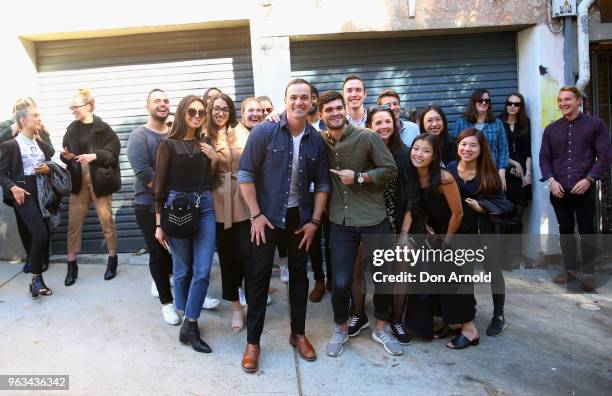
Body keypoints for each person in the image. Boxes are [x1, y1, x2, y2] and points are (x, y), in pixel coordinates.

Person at [238, 78, 329, 372]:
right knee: (259, 277)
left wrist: (315, 221)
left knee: (300, 277)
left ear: (312, 101)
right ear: (285, 100)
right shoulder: (265, 131)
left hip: (299, 219)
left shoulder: (317, 140)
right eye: (294, 97)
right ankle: (253, 342)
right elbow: (246, 175)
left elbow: (324, 183)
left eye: (305, 97)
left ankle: (298, 334)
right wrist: (255, 215)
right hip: (266, 218)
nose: (300, 102)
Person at [317, 90, 400, 357]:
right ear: (321, 115)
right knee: (340, 283)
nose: (335, 113)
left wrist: (360, 177)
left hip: (374, 219)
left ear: (346, 109)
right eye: (328, 110)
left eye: (338, 108)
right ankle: (341, 328)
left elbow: (390, 170)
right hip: (340, 223)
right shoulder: (320, 141)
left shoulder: (368, 136)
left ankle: (381, 327)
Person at [349, 105, 421, 345]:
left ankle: (396, 319)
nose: (383, 126)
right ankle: (359, 315)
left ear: (395, 124)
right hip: (367, 222)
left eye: (387, 122)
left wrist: (403, 235)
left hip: (399, 224)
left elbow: (412, 198)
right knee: (356, 266)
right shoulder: (363, 154)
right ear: (369, 126)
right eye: (377, 123)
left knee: (399, 270)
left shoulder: (404, 154)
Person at [154, 94, 217, 353]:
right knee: (182, 269)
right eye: (191, 111)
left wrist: (213, 158)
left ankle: (190, 323)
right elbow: (159, 186)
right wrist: (159, 224)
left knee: (203, 269)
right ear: (181, 113)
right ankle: (184, 313)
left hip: (205, 207)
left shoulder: (206, 144)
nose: (197, 115)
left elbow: (211, 181)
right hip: (176, 206)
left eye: (201, 112)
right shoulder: (167, 146)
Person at [539, 86, 611, 292]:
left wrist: (589, 179)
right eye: (560, 100)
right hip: (559, 189)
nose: (563, 104)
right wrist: (551, 181)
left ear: (579, 100)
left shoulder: (595, 124)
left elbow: (605, 155)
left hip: (584, 188)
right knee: (566, 231)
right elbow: (544, 158)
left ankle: (588, 274)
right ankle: (569, 270)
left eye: (567, 99)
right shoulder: (551, 129)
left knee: (587, 231)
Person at [411, 133, 479, 349]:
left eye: (426, 151)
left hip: (458, 230)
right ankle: (453, 322)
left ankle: (470, 330)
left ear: (434, 156)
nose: (419, 154)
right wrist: (424, 223)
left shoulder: (444, 178)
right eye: (416, 148)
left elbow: (458, 213)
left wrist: (446, 243)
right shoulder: (413, 175)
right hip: (438, 231)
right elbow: (416, 204)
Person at [446, 128, 509, 337]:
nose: (467, 148)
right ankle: (467, 312)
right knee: (463, 274)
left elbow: (504, 205)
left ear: (481, 149)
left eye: (473, 145)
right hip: (461, 232)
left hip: (484, 231)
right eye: (463, 144)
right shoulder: (451, 169)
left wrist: (483, 206)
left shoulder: (489, 175)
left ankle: (499, 315)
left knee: (493, 271)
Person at [127, 89, 179, 325]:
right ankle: (167, 304)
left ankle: (186, 294)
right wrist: (180, 189)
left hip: (178, 204)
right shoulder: (139, 136)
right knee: (157, 252)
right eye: (157, 100)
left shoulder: (175, 134)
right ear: (148, 107)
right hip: (148, 205)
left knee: (181, 252)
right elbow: (146, 174)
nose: (163, 104)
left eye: (166, 100)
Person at [61, 88, 121, 286]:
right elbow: (65, 151)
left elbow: (113, 153)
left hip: (100, 182)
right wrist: (65, 157)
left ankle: (112, 259)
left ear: (87, 106)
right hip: (79, 183)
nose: (73, 110)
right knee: (73, 224)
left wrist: (95, 156)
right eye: (71, 108)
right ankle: (72, 264)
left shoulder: (103, 128)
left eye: (75, 107)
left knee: (106, 222)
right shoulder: (72, 128)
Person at [205, 92, 252, 333]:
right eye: (216, 108)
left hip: (243, 199)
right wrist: (214, 159)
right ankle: (236, 307)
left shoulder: (242, 130)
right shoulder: (204, 135)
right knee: (227, 258)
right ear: (209, 110)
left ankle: (250, 300)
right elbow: (200, 175)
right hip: (217, 201)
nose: (220, 112)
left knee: (247, 253)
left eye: (224, 108)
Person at [0, 105, 56, 297]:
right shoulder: (11, 145)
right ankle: (37, 278)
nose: (39, 119)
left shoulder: (39, 143)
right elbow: (1, 173)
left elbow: (49, 157)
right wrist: (13, 187)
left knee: (44, 233)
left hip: (43, 192)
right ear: (23, 120)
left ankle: (36, 278)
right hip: (23, 193)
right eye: (35, 116)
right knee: (39, 234)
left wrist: (48, 169)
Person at [451, 89, 509, 190]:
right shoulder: (461, 123)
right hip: (467, 172)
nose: (484, 103)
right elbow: (454, 148)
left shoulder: (497, 123)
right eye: (480, 100)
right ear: (474, 102)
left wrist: (502, 172)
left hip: (490, 172)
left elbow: (503, 148)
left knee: (491, 202)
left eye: (487, 101)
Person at [499, 93, 532, 214]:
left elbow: (528, 150)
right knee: (505, 212)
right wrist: (515, 164)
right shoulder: (498, 122)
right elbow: (495, 150)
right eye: (510, 103)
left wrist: (528, 173)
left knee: (519, 212)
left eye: (516, 104)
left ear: (521, 107)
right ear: (506, 105)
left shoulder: (525, 122)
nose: (512, 106)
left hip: (521, 174)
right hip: (503, 170)